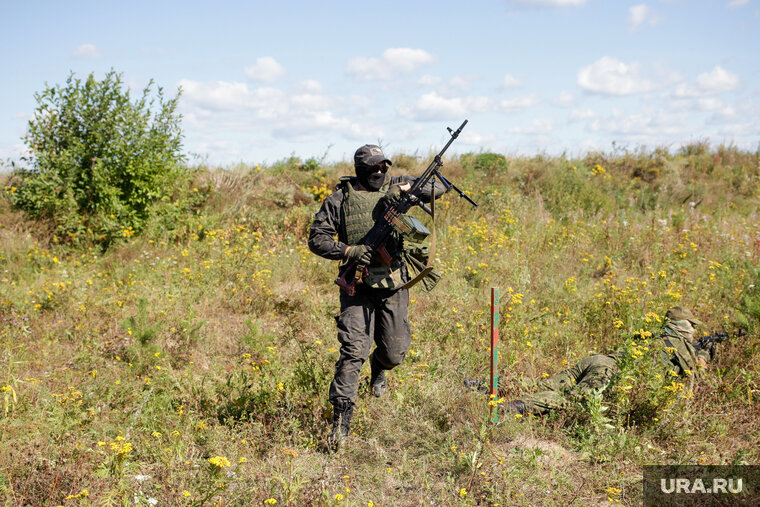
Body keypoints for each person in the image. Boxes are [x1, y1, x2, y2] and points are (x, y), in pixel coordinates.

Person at [308, 144, 444, 447]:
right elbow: (316, 239)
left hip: (393, 283)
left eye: (384, 166)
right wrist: (349, 250)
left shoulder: (398, 185)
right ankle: (340, 425)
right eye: (374, 168)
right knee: (353, 351)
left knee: (395, 352)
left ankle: (379, 368)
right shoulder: (339, 199)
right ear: (360, 170)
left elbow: (439, 186)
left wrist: (411, 189)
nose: (380, 172)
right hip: (357, 286)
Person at [503, 306, 711, 415]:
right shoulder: (679, 343)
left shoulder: (653, 333)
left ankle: (489, 387)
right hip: (610, 372)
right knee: (571, 400)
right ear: (682, 325)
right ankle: (516, 406)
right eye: (692, 325)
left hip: (599, 361)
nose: (694, 330)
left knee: (544, 383)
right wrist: (703, 355)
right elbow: (695, 375)